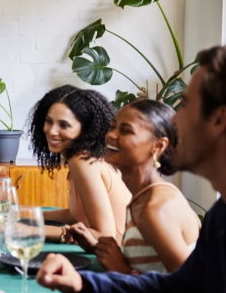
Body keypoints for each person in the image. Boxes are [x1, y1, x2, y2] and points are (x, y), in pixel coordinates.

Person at [36, 45, 226, 292]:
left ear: (219, 120)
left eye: (186, 105)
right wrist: (83, 281)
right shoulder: (218, 214)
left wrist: (122, 271)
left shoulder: (154, 208)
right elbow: (183, 283)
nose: (175, 119)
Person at [68, 99, 200, 274]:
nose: (111, 135)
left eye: (126, 130)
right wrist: (97, 248)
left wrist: (122, 270)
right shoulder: (142, 197)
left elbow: (191, 285)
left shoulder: (154, 208)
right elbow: (152, 263)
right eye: (113, 127)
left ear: (159, 145)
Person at [28, 85, 131, 243]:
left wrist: (29, 231)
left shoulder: (82, 161)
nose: (51, 131)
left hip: (115, 260)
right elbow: (76, 215)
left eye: (64, 125)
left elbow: (104, 235)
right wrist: (25, 215)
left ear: (85, 129)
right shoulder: (86, 156)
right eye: (49, 121)